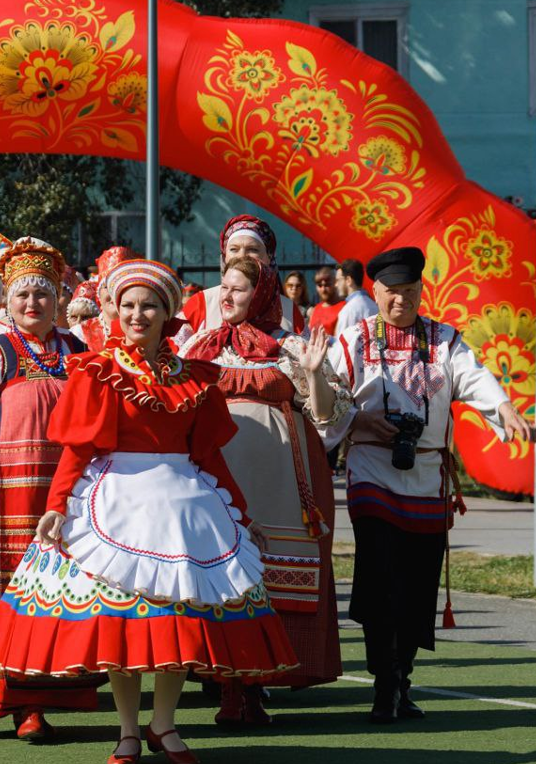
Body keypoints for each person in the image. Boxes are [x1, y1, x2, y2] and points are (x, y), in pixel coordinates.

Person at [0, 259, 297, 764]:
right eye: (128, 305)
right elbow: (78, 449)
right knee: (120, 625)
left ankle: (163, 726)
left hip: (185, 511)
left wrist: (241, 513)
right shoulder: (98, 369)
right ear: (115, 312)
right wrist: (57, 506)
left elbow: (209, 455)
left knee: (178, 622)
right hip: (114, 503)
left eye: (149, 305)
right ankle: (128, 730)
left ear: (167, 312)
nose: (137, 314)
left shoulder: (193, 376)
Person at [327, 246, 535, 723]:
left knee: (418, 584)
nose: (402, 300)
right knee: (381, 577)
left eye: (411, 291)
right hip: (373, 472)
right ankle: (383, 682)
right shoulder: (354, 340)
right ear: (374, 292)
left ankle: (403, 678)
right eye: (392, 292)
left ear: (423, 290)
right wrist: (358, 418)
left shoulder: (443, 339)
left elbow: (474, 377)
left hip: (426, 476)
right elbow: (326, 399)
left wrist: (503, 409)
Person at [0, 237, 96, 737]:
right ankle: (19, 703)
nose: (33, 304)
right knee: (10, 593)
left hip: (66, 499)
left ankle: (58, 692)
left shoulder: (77, 351)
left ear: (58, 300)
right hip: (6, 501)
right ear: (8, 301)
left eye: (43, 294)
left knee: (65, 591)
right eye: (24, 295)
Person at [182, 256, 352, 724]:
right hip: (216, 479)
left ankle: (255, 689)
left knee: (268, 585)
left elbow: (327, 419)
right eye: (224, 288)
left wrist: (315, 373)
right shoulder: (199, 345)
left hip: (278, 480)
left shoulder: (290, 346)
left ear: (260, 294)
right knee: (221, 581)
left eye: (237, 289)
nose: (227, 297)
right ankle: (228, 690)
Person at [181, 215, 305, 336]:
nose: (242, 256)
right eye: (234, 249)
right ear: (224, 257)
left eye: (253, 249)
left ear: (269, 257)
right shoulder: (201, 304)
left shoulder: (288, 310)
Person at [75, 245, 136, 352]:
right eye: (107, 286)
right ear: (99, 292)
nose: (114, 292)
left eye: (122, 286)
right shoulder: (79, 335)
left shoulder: (145, 331)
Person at [333, 258, 378, 338]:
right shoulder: (374, 305)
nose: (336, 285)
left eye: (338, 280)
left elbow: (341, 345)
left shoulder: (349, 311)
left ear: (348, 280)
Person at [307, 265, 344, 337]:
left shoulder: (344, 308)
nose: (323, 289)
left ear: (335, 283)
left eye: (327, 285)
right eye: (319, 285)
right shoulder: (315, 309)